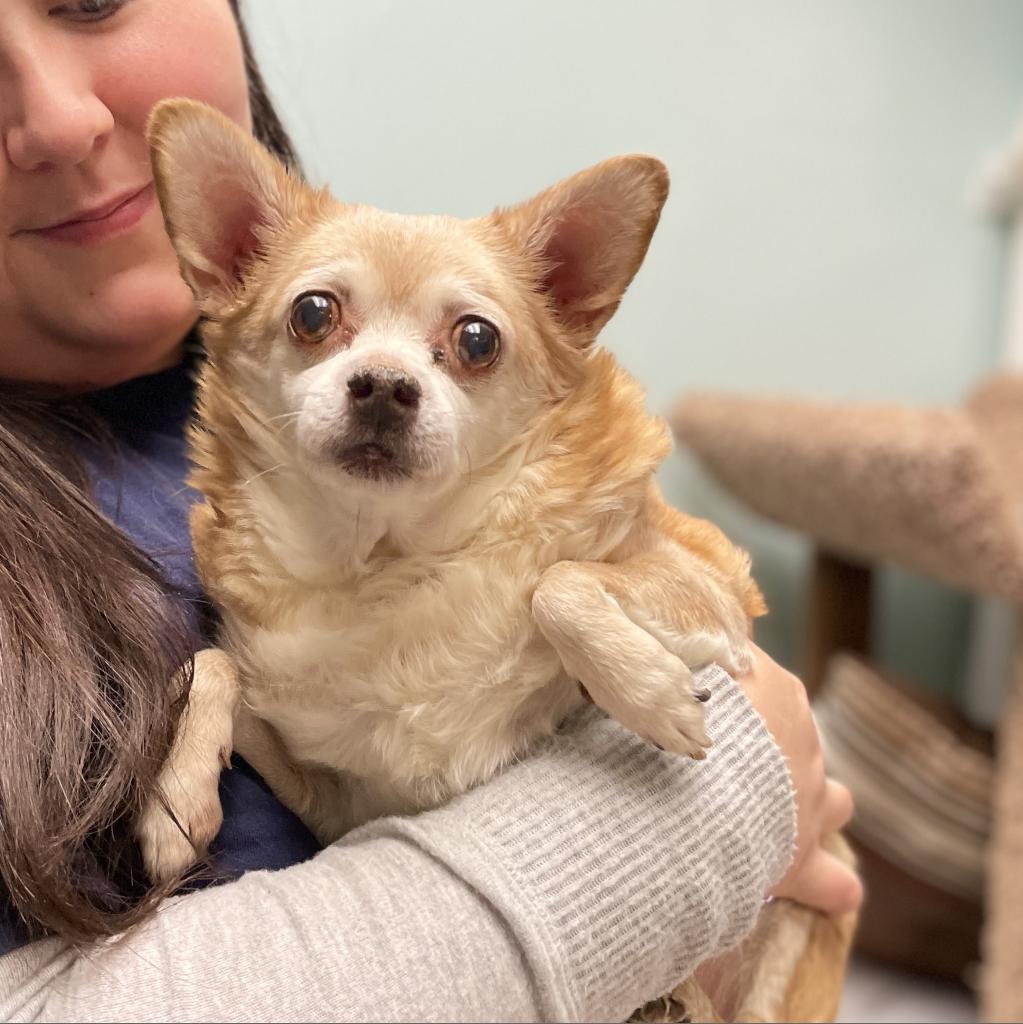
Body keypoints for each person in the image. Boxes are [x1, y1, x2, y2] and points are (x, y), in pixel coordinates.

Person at [0, 1, 860, 1019]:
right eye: (318, 320)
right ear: (234, 259)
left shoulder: (547, 469)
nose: (56, 118)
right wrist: (692, 832)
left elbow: (706, 622)